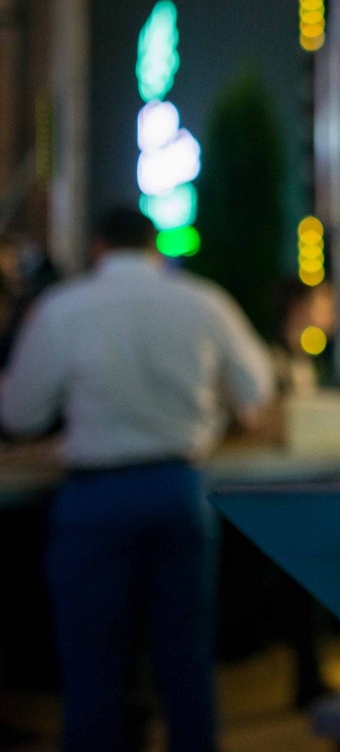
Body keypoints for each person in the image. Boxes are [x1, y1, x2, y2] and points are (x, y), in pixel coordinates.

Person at [1, 207, 276, 752]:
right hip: (179, 490)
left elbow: (20, 412)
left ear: (98, 246)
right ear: (155, 247)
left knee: (92, 664)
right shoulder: (203, 301)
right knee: (186, 658)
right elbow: (257, 390)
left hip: (95, 496)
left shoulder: (64, 307)